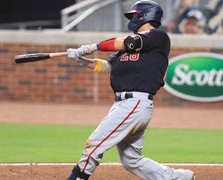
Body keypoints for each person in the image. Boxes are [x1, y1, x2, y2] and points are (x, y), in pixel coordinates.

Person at [66, 1, 195, 180]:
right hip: (124, 105)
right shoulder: (126, 48)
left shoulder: (158, 36)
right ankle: (180, 178)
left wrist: (92, 47)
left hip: (135, 103)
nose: (132, 18)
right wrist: (84, 61)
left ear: (145, 15)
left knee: (95, 144)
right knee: (131, 160)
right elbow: (107, 66)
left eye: (135, 14)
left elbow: (129, 42)